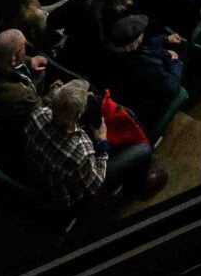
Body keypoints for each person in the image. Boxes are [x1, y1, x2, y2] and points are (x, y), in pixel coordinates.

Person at [22, 78, 163, 213]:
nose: (89, 95)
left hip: (42, 176)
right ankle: (138, 190)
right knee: (143, 150)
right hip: (71, 197)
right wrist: (102, 142)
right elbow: (95, 184)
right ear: (78, 115)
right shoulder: (82, 148)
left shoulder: (37, 114)